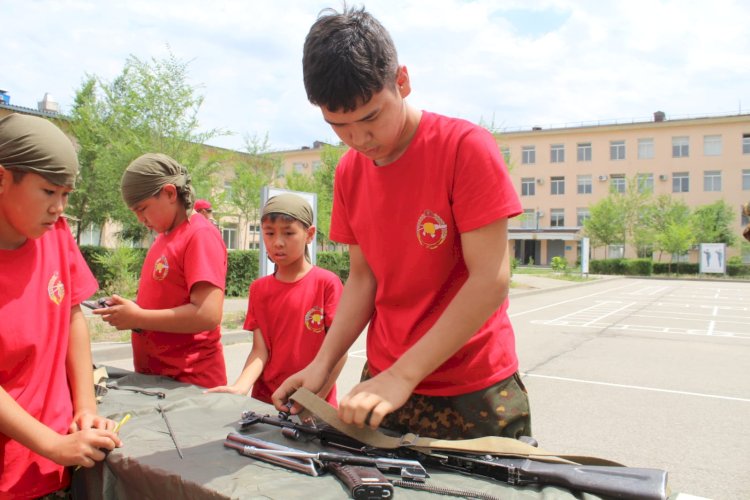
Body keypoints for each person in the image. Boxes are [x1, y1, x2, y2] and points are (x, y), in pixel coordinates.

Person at [273, 6, 531, 440]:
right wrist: (322, 365)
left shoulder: (464, 149)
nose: (358, 139)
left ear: (402, 82)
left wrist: (403, 375)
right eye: (338, 125)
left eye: (371, 117)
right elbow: (362, 279)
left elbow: (491, 279)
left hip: (473, 386)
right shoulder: (349, 172)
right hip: (384, 382)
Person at [0, 113, 122, 498]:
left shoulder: (56, 234)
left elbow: (72, 316)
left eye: (66, 195)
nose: (59, 207)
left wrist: (84, 407)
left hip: (60, 463)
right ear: (2, 179)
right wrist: (50, 444)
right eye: (49, 192)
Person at [95, 153, 228, 388]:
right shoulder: (164, 237)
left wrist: (138, 317)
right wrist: (131, 312)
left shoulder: (199, 234)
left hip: (191, 383)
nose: (139, 219)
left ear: (169, 192)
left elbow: (207, 314)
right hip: (160, 380)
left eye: (142, 208)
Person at [207, 194, 345, 405]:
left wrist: (314, 400)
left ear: (309, 234)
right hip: (266, 401)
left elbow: (338, 353)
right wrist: (240, 386)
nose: (278, 242)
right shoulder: (259, 289)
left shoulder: (326, 283)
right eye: (269, 233)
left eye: (289, 233)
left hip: (313, 402)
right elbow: (260, 351)